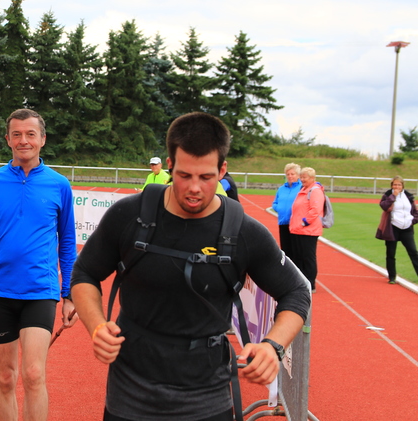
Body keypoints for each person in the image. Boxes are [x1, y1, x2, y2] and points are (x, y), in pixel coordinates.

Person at [71, 112, 310, 421]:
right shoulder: (129, 215)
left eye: (206, 177)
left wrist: (272, 346)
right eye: (184, 175)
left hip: (207, 396)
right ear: (170, 165)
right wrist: (97, 326)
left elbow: (296, 291)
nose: (194, 187)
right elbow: (85, 273)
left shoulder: (243, 232)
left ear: (222, 170)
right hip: (130, 392)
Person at [0, 108, 78, 421]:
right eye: (17, 134)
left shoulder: (59, 185)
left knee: (34, 373)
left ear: (43, 139)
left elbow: (68, 243)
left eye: (30, 134)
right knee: (5, 376)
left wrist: (69, 294)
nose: (23, 140)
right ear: (8, 139)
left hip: (40, 291)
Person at [375, 176, 418, 284]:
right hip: (392, 228)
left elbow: (415, 211)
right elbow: (384, 206)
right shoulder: (388, 195)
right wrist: (393, 196)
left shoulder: (408, 196)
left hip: (407, 228)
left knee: (413, 252)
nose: (397, 186)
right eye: (395, 184)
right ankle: (392, 277)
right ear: (391, 185)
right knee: (391, 253)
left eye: (399, 184)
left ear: (402, 186)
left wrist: (412, 221)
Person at [288, 167, 324, 292]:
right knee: (298, 257)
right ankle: (301, 282)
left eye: (305, 177)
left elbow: (316, 209)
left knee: (307, 257)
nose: (302, 179)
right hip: (298, 229)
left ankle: (310, 283)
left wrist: (305, 222)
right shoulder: (303, 189)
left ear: (312, 178)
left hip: (308, 230)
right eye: (301, 177)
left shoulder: (315, 191)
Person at [272, 163, 302, 257]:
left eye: (292, 174)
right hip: (283, 222)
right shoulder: (281, 189)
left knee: (296, 251)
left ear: (298, 175)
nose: (290, 176)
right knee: (285, 250)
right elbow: (275, 203)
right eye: (288, 174)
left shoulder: (301, 188)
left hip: (296, 224)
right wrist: (278, 208)